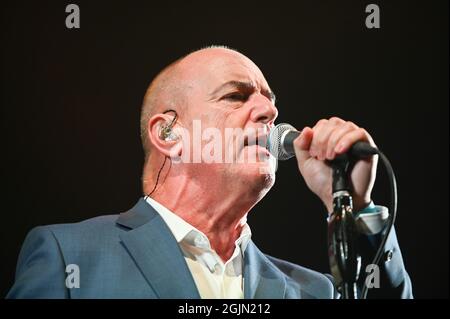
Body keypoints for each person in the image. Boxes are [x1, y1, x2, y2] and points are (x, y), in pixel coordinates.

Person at [7, 46, 412, 299]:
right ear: (168, 133)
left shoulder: (313, 290)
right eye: (236, 96)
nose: (269, 112)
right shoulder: (70, 257)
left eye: (270, 102)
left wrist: (355, 205)